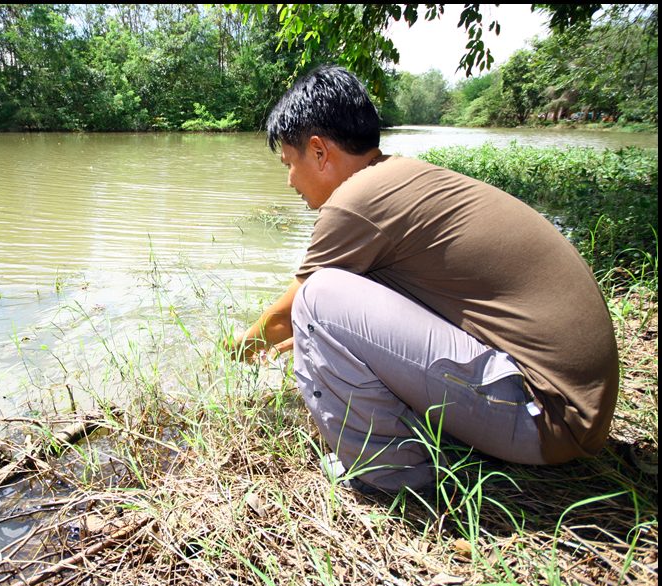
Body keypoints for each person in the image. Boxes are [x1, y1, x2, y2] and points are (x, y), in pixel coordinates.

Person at [230, 65, 619, 493]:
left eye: (289, 163)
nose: (288, 181)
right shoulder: (399, 178)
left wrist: (233, 355)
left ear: (320, 152)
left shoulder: (354, 203)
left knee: (318, 299)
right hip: (570, 409)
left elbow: (288, 316)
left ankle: (390, 473)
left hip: (545, 416)